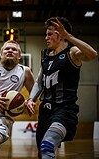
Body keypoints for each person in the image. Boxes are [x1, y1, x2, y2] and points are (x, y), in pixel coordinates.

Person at [25, 17, 98, 159]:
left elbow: (92, 54)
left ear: (61, 34)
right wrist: (30, 99)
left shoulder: (73, 52)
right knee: (42, 152)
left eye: (50, 34)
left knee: (47, 145)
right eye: (46, 34)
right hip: (45, 112)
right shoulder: (45, 55)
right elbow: (40, 82)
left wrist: (69, 37)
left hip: (64, 110)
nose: (46, 38)